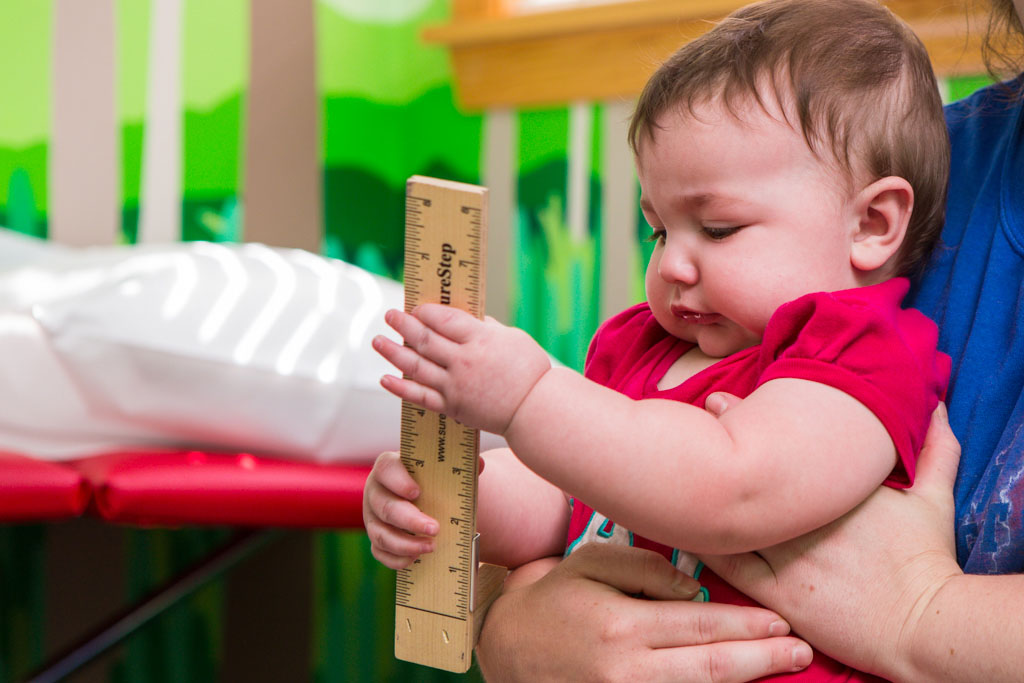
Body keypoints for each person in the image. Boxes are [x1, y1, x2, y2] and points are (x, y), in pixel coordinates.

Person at [364, 0, 953, 679]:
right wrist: (449, 498)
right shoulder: (641, 345)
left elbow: (732, 487)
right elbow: (561, 499)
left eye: (720, 228)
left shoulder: (862, 351)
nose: (672, 264)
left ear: (872, 224)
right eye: (659, 230)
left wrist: (529, 395)